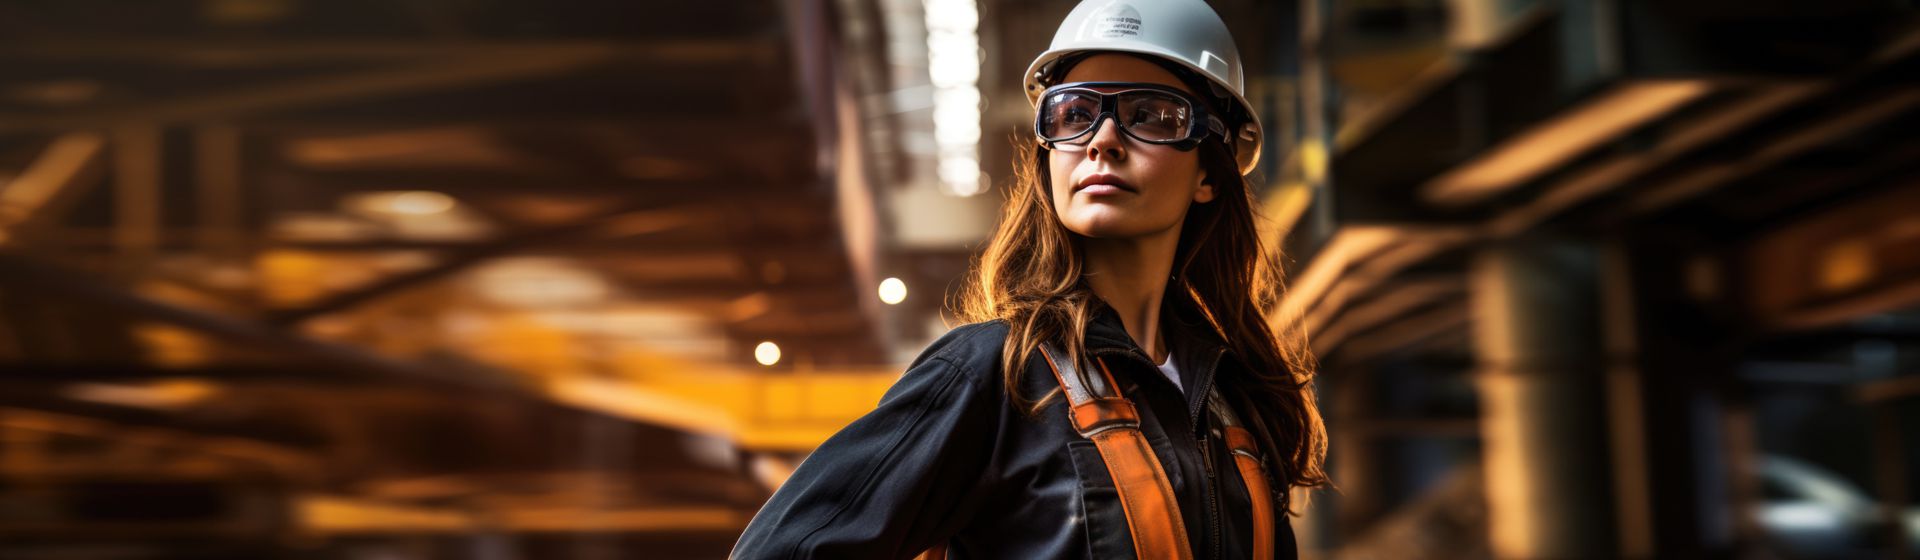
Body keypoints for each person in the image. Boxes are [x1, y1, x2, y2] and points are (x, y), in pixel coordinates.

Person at [730, 0, 1326, 557]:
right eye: (1075, 113)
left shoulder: (1239, 405)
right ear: (1048, 153)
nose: (1103, 139)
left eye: (1151, 116)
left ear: (1210, 173)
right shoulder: (996, 377)